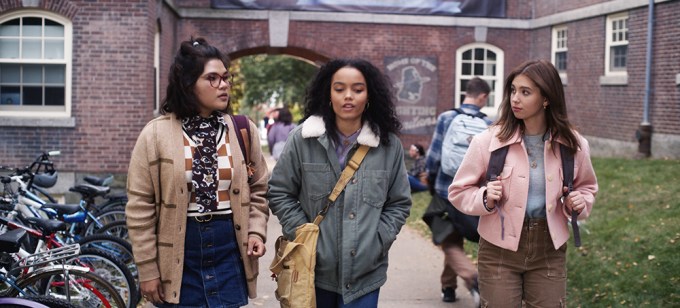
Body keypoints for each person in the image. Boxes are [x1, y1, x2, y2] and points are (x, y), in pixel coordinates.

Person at [125, 37, 270, 307]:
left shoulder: (240, 129)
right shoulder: (155, 134)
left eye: (225, 78)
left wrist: (255, 231)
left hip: (230, 246)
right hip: (179, 250)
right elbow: (140, 206)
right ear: (188, 84)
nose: (224, 85)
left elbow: (260, 188)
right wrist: (147, 269)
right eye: (212, 78)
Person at [449, 60, 598, 306]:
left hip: (549, 249)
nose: (515, 99)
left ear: (546, 99)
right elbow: (459, 191)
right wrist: (484, 198)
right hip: (498, 249)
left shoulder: (574, 145)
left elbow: (587, 187)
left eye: (525, 92)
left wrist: (580, 201)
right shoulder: (487, 141)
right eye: (513, 90)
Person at [267, 58, 412, 307]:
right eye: (339, 88)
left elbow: (398, 203)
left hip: (365, 275)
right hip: (312, 271)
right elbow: (280, 192)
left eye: (357, 89)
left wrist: (377, 243)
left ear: (369, 96)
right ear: (328, 93)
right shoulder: (302, 140)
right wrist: (303, 236)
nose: (348, 96)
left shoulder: (388, 146)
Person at [424, 76, 491, 304]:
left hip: (445, 190)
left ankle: (473, 279)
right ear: (483, 96)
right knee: (453, 239)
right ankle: (448, 289)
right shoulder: (488, 123)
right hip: (472, 194)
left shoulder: (447, 117)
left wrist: (431, 182)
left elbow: (434, 156)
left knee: (449, 241)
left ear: (467, 92)